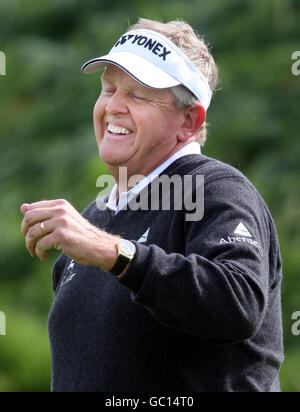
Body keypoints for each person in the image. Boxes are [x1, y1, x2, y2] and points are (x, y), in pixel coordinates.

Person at [20, 18, 284, 392]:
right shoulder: (92, 222)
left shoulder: (217, 190)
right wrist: (104, 247)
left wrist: (113, 252)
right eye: (108, 89)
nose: (113, 106)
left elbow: (238, 304)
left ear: (189, 121)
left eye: (137, 95)